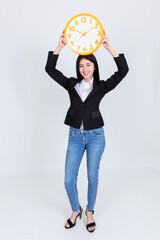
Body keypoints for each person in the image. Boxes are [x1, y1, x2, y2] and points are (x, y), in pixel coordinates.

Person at [45, 29, 129, 233]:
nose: (84, 69)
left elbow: (123, 71)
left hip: (95, 137)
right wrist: (60, 46)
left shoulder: (101, 86)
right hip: (75, 136)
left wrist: (110, 49)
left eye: (88, 65)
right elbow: (50, 69)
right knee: (68, 179)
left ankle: (90, 211)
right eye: (81, 65)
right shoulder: (71, 84)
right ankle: (76, 210)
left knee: (92, 176)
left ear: (94, 67)